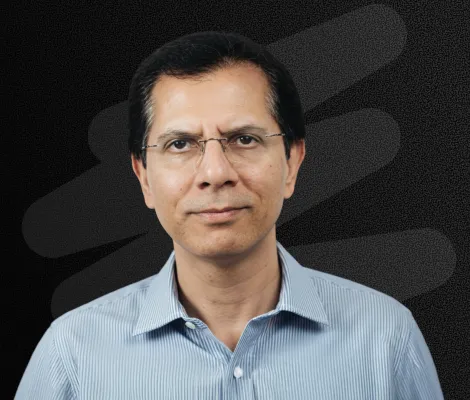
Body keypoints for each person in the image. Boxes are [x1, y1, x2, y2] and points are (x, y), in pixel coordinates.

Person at [16, 31, 444, 399]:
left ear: (292, 161)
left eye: (244, 139)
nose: (215, 173)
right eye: (180, 144)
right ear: (143, 175)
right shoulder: (73, 353)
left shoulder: (386, 338)